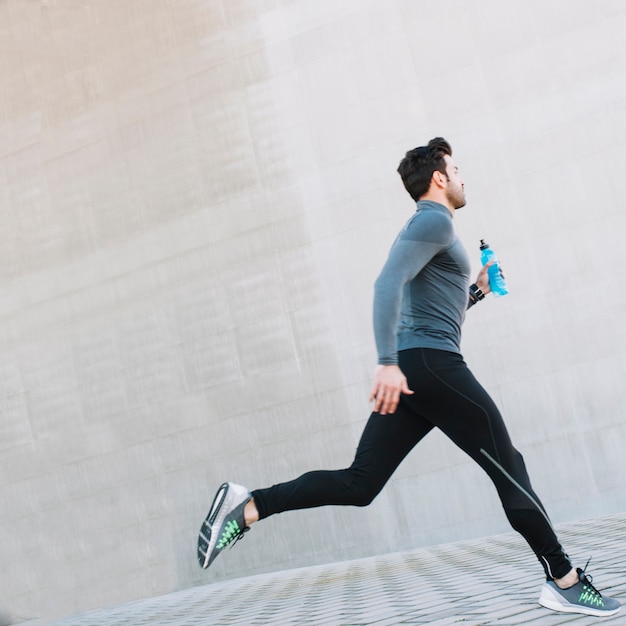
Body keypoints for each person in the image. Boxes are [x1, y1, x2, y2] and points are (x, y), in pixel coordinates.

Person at [197, 137, 620, 617]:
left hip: (418, 366)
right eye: (457, 169)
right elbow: (386, 284)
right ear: (439, 177)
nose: (463, 177)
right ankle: (564, 580)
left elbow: (434, 311)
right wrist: (386, 361)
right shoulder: (435, 219)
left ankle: (248, 507)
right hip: (429, 367)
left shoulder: (431, 227)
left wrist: (477, 290)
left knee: (361, 484)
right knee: (509, 466)